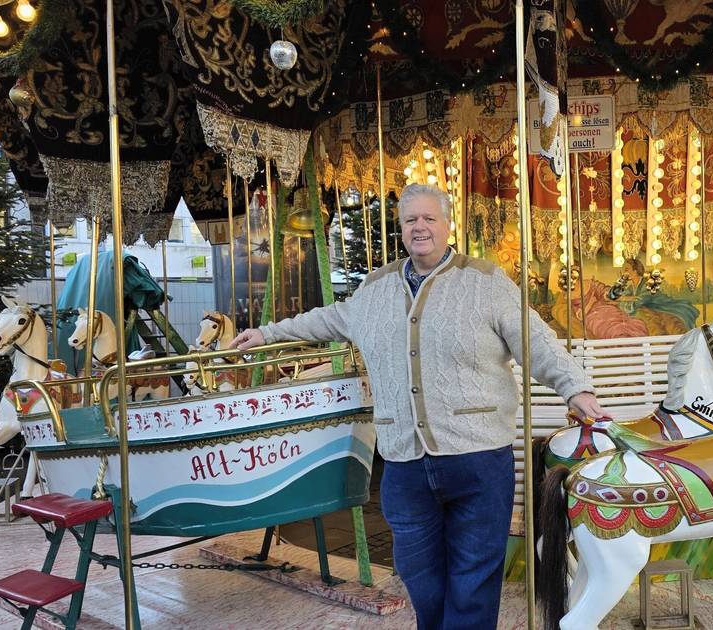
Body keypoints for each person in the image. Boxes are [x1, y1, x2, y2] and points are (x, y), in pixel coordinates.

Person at [230, 183, 607, 629]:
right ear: (401, 229)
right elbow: (328, 319)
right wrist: (267, 332)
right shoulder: (375, 288)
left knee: (473, 574)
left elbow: (536, 340)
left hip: (477, 457)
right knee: (418, 573)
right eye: (410, 220)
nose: (420, 227)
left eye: (429, 218)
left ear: (448, 225)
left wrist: (576, 389)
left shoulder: (486, 282)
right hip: (404, 460)